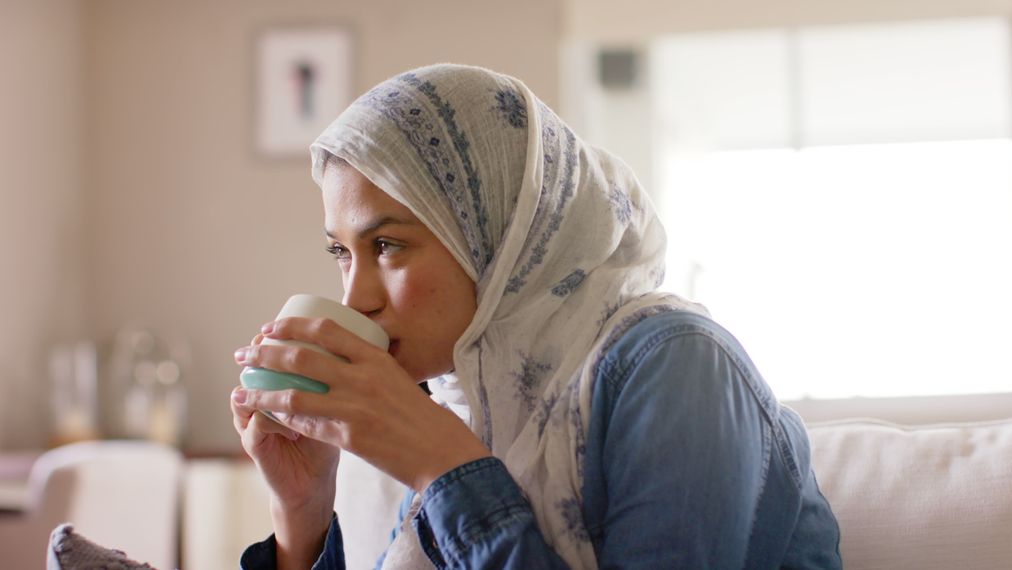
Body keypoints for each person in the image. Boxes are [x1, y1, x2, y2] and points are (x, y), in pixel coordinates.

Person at [230, 63, 842, 569]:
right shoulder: (471, 400)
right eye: (342, 252)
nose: (354, 300)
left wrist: (448, 469)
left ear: (499, 238)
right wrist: (302, 513)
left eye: (387, 245)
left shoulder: (678, 366)